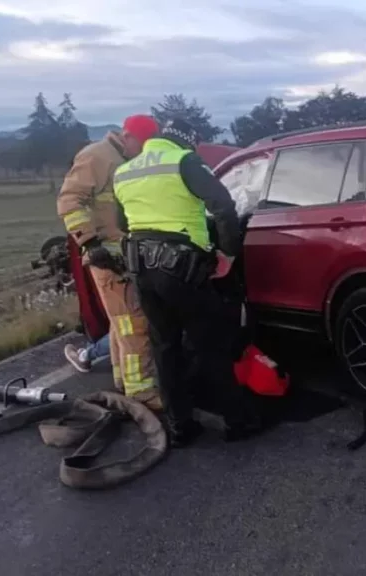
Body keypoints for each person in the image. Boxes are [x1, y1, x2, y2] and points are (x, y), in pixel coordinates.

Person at [114, 118, 262, 447]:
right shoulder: (183, 161)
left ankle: (181, 426)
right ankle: (237, 422)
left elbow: (121, 222)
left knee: (165, 347)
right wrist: (228, 252)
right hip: (181, 269)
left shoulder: (125, 171)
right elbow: (223, 205)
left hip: (141, 270)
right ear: (183, 141)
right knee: (210, 343)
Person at [57, 115, 161, 408]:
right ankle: (142, 392)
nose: (143, 152)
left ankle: (123, 378)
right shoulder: (97, 156)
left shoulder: (120, 157)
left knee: (120, 324)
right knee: (134, 325)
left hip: (120, 252)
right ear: (128, 137)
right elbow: (69, 201)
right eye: (142, 145)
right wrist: (90, 243)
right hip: (106, 254)